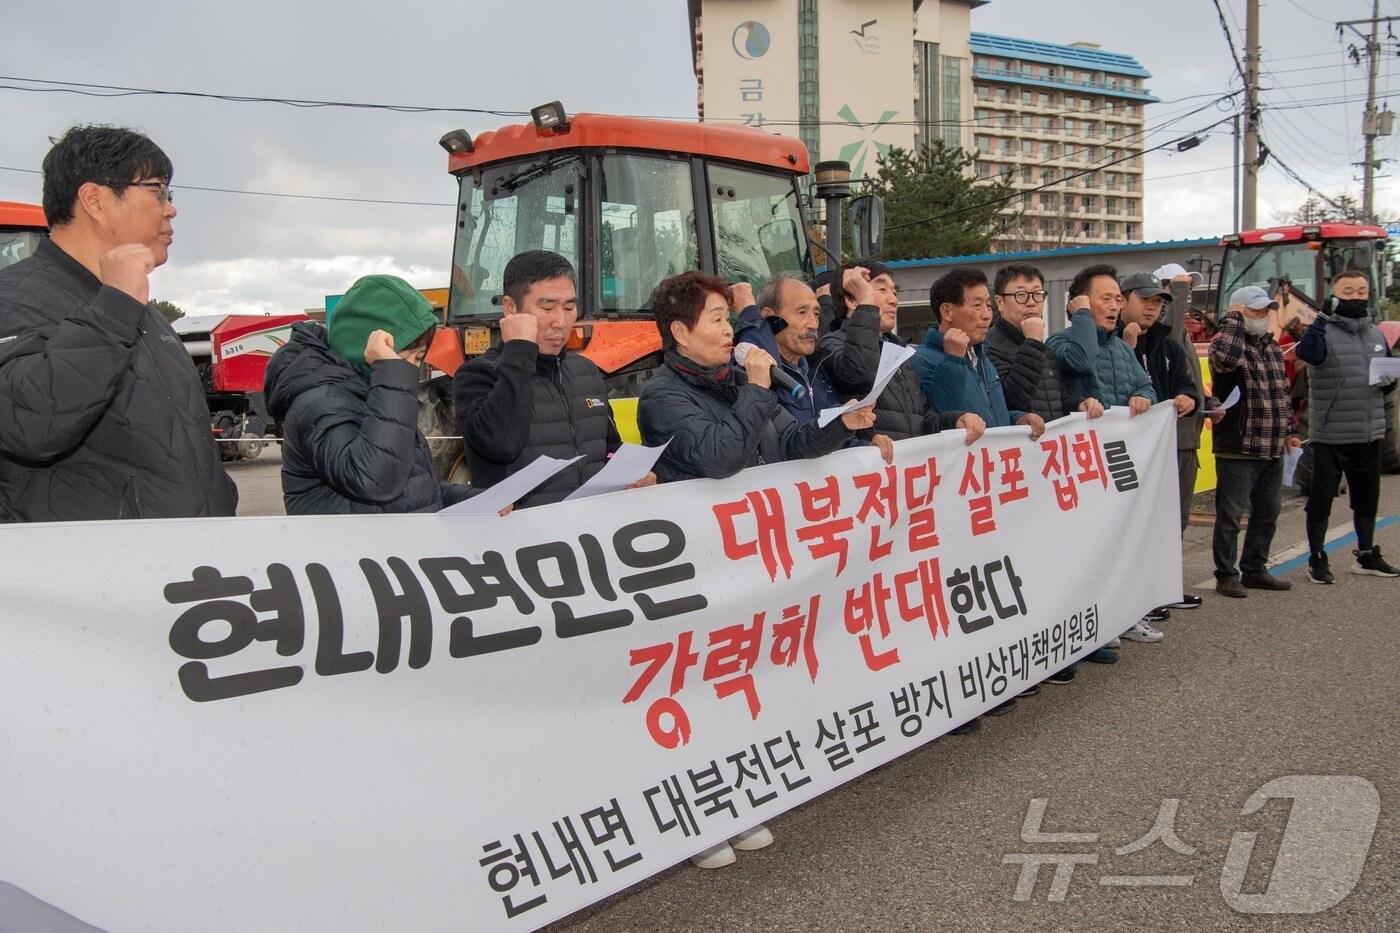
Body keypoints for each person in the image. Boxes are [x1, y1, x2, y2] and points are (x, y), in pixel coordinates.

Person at [638, 270, 877, 870]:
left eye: (726, 318)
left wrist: (836, 430)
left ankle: (734, 797)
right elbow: (720, 457)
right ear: (679, 332)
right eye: (716, 320)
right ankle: (693, 818)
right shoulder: (663, 394)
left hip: (745, 564)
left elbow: (788, 442)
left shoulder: (735, 382)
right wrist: (755, 385)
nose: (728, 330)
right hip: (693, 568)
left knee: (738, 677)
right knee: (692, 683)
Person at [0, 124, 236, 522]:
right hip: (84, 576)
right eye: (157, 190)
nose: (171, 208)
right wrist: (115, 307)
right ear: (94, 199)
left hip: (183, 570)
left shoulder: (147, 318)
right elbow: (31, 422)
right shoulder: (15, 295)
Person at [264, 275, 474, 514]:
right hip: (346, 550)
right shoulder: (320, 403)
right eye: (409, 356)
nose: (412, 369)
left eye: (419, 358)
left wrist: (480, 501)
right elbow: (376, 479)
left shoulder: (374, 395)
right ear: (367, 347)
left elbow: (417, 488)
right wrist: (391, 373)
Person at [453, 250, 647, 508]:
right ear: (511, 308)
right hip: (525, 540)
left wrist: (632, 474)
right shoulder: (477, 376)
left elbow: (608, 446)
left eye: (569, 307)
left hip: (590, 533)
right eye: (547, 307)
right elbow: (502, 445)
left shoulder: (587, 371)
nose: (561, 321)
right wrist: (520, 352)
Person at [1297, 270, 1400, 582]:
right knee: (1322, 498)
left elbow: (1388, 374)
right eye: (1348, 291)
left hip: (1369, 430)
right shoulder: (1322, 330)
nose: (1356, 296)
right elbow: (1307, 354)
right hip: (1331, 432)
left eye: (1361, 291)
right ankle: (1317, 557)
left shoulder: (1375, 333)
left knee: (1367, 496)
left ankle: (1366, 553)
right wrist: (1321, 319)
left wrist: (1388, 382)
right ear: (1334, 295)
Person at [1117, 271, 1204, 635]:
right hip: (1128, 454)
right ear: (1124, 300)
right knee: (1134, 525)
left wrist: (1190, 397)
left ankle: (1163, 587)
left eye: (1157, 303)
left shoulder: (1168, 345)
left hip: (1169, 447)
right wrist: (1127, 346)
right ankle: (1135, 598)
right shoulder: (1111, 343)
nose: (1152, 308)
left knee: (1173, 518)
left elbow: (1186, 385)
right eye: (1145, 300)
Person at [819, 263, 986, 445]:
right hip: (872, 468)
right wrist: (866, 305)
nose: (893, 300)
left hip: (907, 468)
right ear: (851, 300)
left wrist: (954, 420)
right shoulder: (831, 344)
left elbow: (922, 421)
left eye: (895, 292)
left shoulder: (899, 351)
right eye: (882, 289)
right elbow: (858, 375)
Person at [1208, 287, 1299, 597]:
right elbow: (1224, 361)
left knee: (1267, 511)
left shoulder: (1271, 348)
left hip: (1271, 445)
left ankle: (1255, 569)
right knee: (1231, 515)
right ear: (1239, 312)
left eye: (1265, 311)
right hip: (1238, 445)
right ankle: (1225, 574)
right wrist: (1232, 319)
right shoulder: (1226, 343)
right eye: (1256, 311)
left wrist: (1290, 431)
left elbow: (1282, 394)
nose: (1263, 317)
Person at [911, 268, 1047, 439]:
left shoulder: (982, 357)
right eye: (977, 305)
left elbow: (989, 415)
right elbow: (941, 420)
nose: (987, 315)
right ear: (947, 311)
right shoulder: (919, 359)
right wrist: (953, 360)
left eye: (989, 306)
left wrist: (1017, 418)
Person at [984, 262, 1106, 423]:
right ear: (1000, 302)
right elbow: (1011, 401)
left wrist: (1079, 405)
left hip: (1050, 444)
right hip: (1019, 444)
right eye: (1021, 295)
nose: (1031, 302)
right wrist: (1032, 342)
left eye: (1038, 294)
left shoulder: (1044, 349)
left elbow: (1057, 402)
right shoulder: (989, 346)